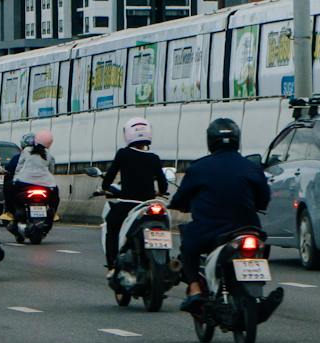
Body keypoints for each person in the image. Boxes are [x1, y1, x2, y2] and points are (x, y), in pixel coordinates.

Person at [169, 118, 271, 314]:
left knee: (188, 248)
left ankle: (195, 288)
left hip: (210, 231)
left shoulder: (199, 168)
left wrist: (179, 205)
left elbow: (181, 198)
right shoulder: (252, 167)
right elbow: (264, 199)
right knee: (262, 244)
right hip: (248, 228)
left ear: (210, 141)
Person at [99, 118, 170, 272]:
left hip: (128, 203)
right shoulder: (154, 158)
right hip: (148, 204)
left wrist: (106, 187)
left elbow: (109, 179)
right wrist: (160, 192)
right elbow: (164, 186)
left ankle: (112, 265)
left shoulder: (123, 154)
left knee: (111, 224)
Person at [9, 129, 60, 222]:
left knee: (12, 193)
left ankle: (10, 212)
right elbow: (51, 170)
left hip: (24, 182)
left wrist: (15, 179)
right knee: (56, 197)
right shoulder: (48, 154)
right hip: (46, 184)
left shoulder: (26, 150)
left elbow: (19, 168)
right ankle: (53, 213)